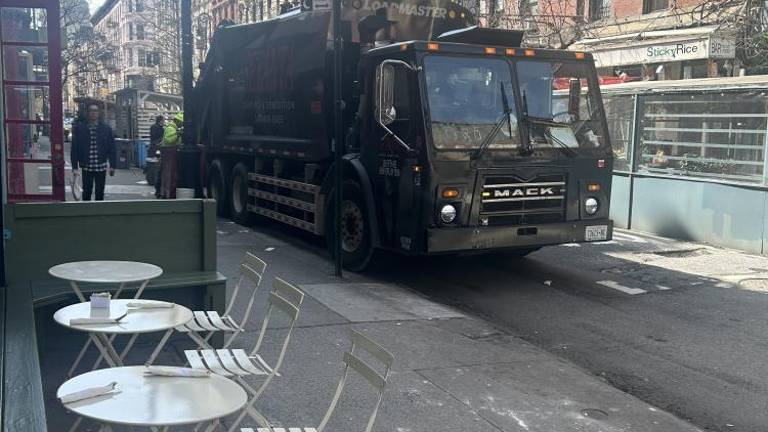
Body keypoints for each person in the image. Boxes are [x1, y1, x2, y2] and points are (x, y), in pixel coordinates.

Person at [71, 103, 116, 201]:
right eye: (91, 110)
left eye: (95, 111)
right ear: (88, 113)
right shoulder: (80, 129)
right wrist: (74, 167)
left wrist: (113, 165)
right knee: (87, 192)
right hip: (87, 167)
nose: (93, 113)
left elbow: (112, 148)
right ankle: (86, 213)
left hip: (101, 166)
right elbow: (74, 148)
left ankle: (98, 213)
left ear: (99, 113)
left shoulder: (106, 129)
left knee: (100, 193)